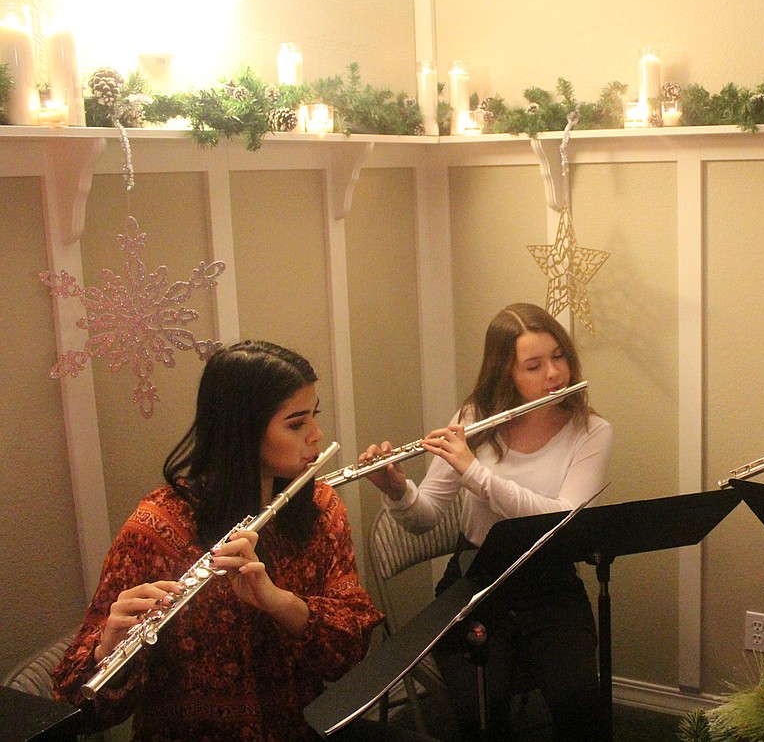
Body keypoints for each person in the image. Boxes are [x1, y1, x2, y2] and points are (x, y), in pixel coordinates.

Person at [52, 340, 395, 741]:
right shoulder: (156, 528)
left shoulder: (321, 508)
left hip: (302, 729)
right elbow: (78, 707)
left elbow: (349, 653)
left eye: (313, 417)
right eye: (297, 423)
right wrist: (108, 647)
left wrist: (279, 602)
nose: (317, 435)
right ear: (242, 430)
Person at [361, 302, 614, 741]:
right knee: (481, 711)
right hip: (476, 584)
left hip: (549, 584)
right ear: (505, 373)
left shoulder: (591, 431)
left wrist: (475, 474)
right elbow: (425, 518)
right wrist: (396, 489)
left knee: (578, 706)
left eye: (559, 357)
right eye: (533, 365)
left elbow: (561, 521)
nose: (554, 374)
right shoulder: (473, 419)